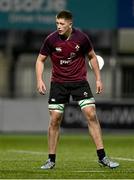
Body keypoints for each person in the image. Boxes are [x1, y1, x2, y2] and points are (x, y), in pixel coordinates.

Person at [35, 10, 119, 170]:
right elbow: (40, 59)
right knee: (55, 119)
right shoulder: (51, 39)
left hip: (79, 82)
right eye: (57, 23)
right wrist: (39, 79)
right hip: (58, 83)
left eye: (61, 24)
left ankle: (102, 157)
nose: (58, 27)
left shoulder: (82, 38)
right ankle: (51, 160)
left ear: (70, 24)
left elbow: (92, 56)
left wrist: (99, 78)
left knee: (91, 114)